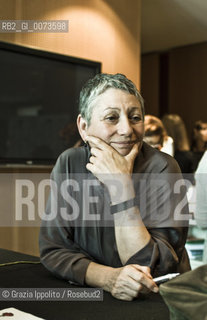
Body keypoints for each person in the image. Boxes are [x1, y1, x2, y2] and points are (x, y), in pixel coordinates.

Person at [39, 73, 190, 301]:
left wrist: (120, 186)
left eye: (135, 117)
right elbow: (54, 250)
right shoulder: (70, 163)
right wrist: (108, 278)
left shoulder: (164, 167)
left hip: (160, 300)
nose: (127, 130)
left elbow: (153, 268)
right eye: (111, 118)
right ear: (84, 127)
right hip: (95, 298)